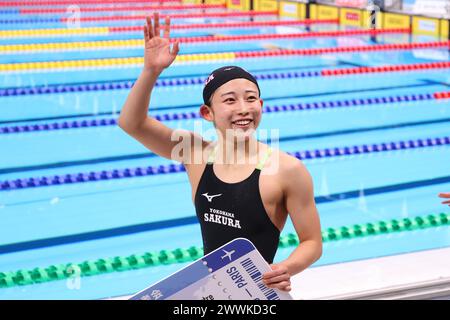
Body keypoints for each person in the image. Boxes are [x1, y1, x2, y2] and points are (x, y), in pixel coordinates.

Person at [118, 12, 322, 293]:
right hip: (209, 291)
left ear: (260, 104)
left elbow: (311, 242)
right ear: (207, 113)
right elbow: (132, 123)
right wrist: (150, 71)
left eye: (251, 98)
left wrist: (286, 267)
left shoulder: (286, 169)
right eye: (230, 100)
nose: (243, 109)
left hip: (257, 293)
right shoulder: (195, 154)